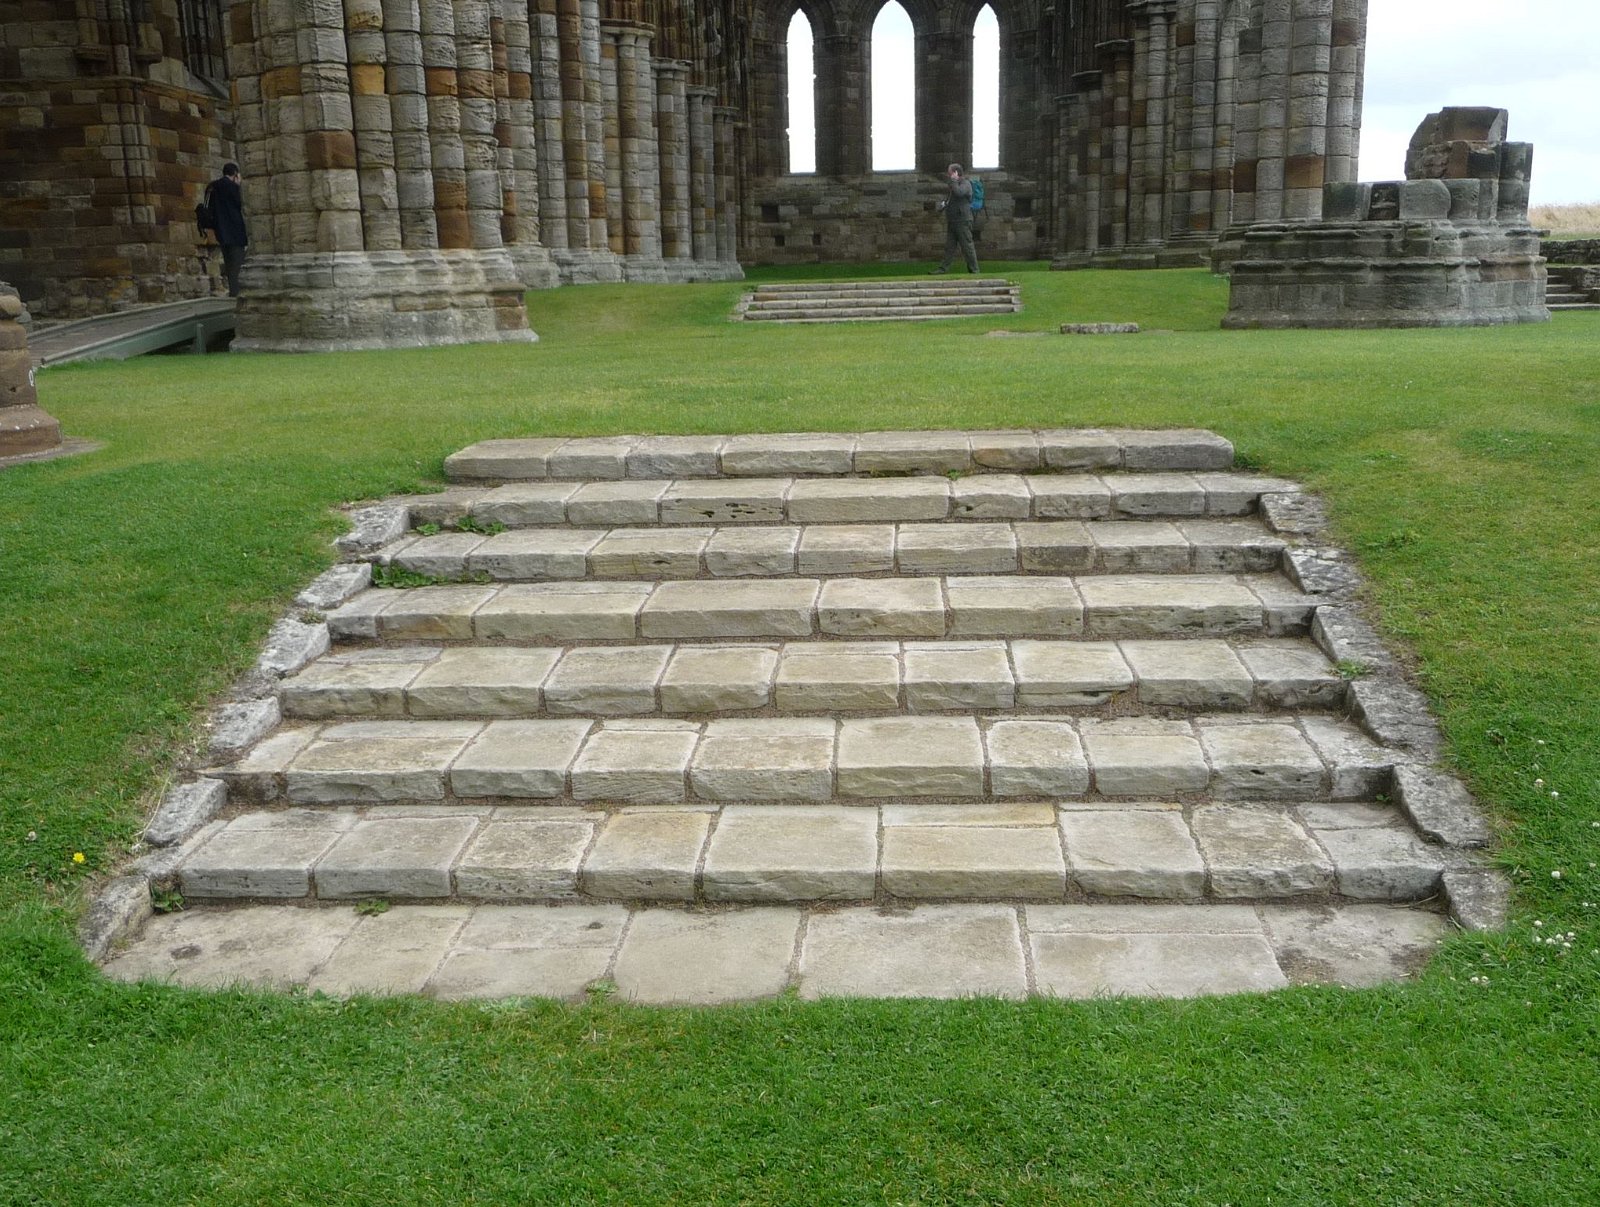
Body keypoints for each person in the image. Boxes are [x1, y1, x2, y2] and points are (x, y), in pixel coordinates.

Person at [203, 163, 248, 298]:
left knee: (229, 263)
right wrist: (238, 185)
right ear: (235, 174)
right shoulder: (233, 187)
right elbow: (240, 204)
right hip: (235, 230)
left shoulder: (213, 187)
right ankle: (237, 292)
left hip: (221, 231)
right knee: (238, 263)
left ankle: (233, 291)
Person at [931, 162, 979, 274]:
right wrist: (943, 205)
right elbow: (950, 198)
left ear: (956, 172)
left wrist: (953, 181)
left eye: (950, 173)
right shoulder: (954, 184)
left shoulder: (965, 183)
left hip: (963, 220)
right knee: (949, 247)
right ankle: (943, 269)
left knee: (967, 246)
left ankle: (974, 269)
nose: (949, 175)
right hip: (953, 220)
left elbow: (959, 193)